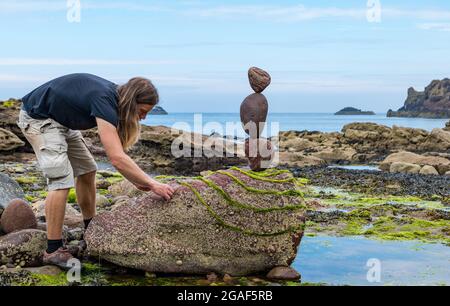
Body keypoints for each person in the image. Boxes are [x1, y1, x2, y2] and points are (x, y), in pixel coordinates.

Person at [17, 73, 175, 268]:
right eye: (142, 111)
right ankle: (53, 250)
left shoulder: (115, 99)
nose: (144, 117)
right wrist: (152, 183)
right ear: (132, 101)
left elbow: (118, 153)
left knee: (87, 169)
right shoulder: (104, 100)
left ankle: (90, 229)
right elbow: (116, 158)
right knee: (61, 180)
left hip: (62, 123)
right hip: (39, 119)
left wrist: (138, 180)